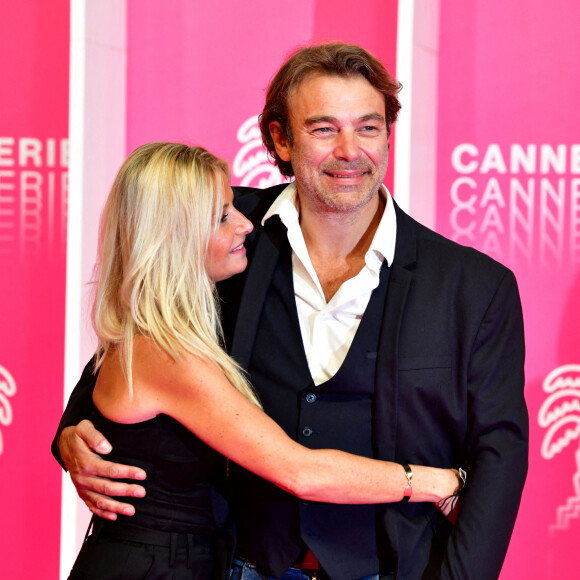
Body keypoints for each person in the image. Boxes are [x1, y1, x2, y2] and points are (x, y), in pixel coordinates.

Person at [53, 43, 528, 580]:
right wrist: (74, 435)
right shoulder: (224, 233)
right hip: (236, 563)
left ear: (388, 136)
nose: (350, 150)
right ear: (281, 138)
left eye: (368, 128)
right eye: (324, 129)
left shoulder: (472, 286)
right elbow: (134, 343)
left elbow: (499, 454)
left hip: (393, 568)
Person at [58, 142, 461, 580]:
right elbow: (299, 471)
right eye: (222, 217)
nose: (246, 224)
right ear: (173, 237)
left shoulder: (155, 332)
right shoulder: (168, 354)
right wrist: (437, 483)